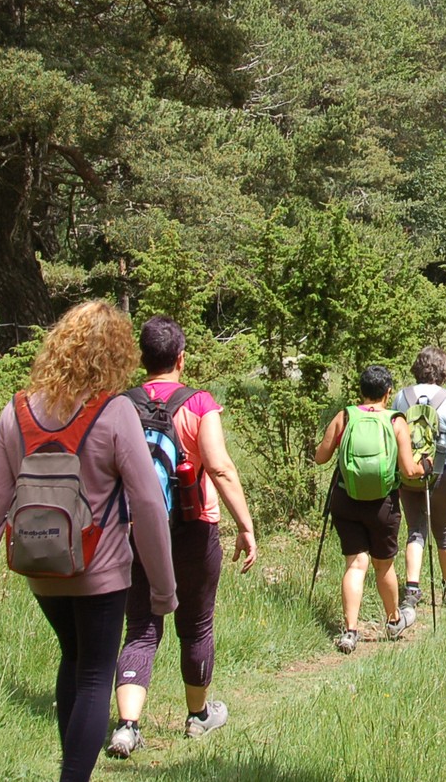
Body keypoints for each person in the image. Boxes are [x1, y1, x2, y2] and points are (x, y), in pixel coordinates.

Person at [0, 301, 176, 782]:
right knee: (97, 673)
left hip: (42, 567)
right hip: (101, 572)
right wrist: (164, 591)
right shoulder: (116, 412)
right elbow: (148, 504)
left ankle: (71, 771)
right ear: (117, 354)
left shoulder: (17, 412)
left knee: (74, 658)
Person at [106, 316, 258, 759]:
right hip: (194, 527)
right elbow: (220, 467)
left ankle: (127, 727)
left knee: (140, 627)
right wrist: (245, 526)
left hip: (136, 530)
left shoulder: (121, 405)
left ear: (142, 358)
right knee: (195, 624)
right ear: (181, 358)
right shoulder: (199, 403)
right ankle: (197, 716)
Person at [313, 365, 421, 653]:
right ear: (388, 393)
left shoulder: (345, 416)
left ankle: (350, 631)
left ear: (361, 391)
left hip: (346, 499)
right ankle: (393, 620)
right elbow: (408, 470)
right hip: (383, 504)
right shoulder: (396, 421)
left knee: (355, 563)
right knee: (383, 565)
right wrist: (425, 467)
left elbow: (321, 457)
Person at [392, 345, 446, 607]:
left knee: (415, 530)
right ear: (443, 371)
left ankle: (412, 589)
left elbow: (391, 437)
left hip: (408, 473)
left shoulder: (401, 397)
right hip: (441, 472)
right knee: (444, 532)